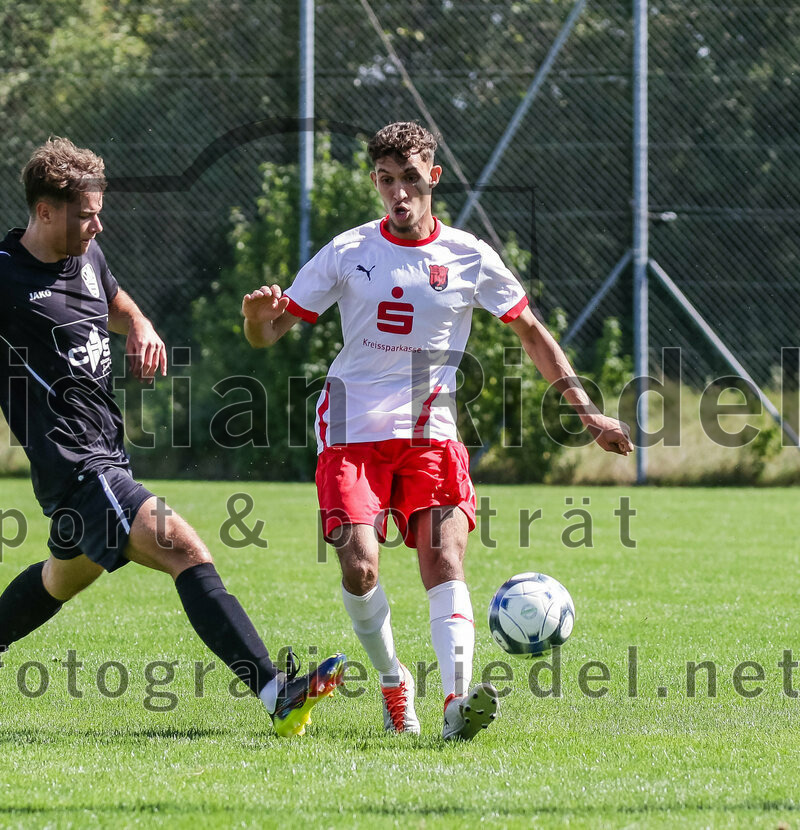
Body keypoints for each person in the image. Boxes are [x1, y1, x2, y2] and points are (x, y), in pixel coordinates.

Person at [0, 136, 345, 737]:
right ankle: (274, 691)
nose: (97, 224)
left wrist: (139, 325)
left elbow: (113, 300)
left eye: (97, 211)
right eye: (86, 214)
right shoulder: (1, 278)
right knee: (183, 548)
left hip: (108, 455)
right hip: (76, 467)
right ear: (44, 211)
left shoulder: (87, 256)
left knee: (62, 578)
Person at [241, 121, 632, 741]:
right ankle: (395, 683)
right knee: (360, 569)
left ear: (434, 178)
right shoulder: (348, 251)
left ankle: (455, 705)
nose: (399, 193)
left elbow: (530, 331)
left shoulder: (469, 256)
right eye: (386, 181)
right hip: (350, 433)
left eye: (411, 180)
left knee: (444, 560)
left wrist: (585, 411)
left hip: (431, 436)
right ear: (375, 181)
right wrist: (255, 319)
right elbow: (270, 333)